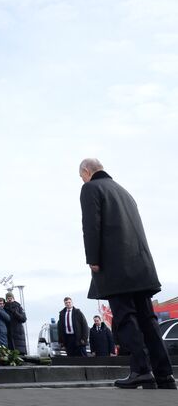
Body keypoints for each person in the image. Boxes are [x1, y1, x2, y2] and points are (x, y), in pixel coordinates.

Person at [79, 157, 175, 389]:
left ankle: (141, 370)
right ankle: (164, 375)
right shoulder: (124, 192)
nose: (81, 179)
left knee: (125, 318)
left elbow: (91, 224)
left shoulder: (90, 187)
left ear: (86, 171)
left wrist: (93, 259)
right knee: (148, 319)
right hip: (140, 267)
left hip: (116, 267)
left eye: (80, 175)